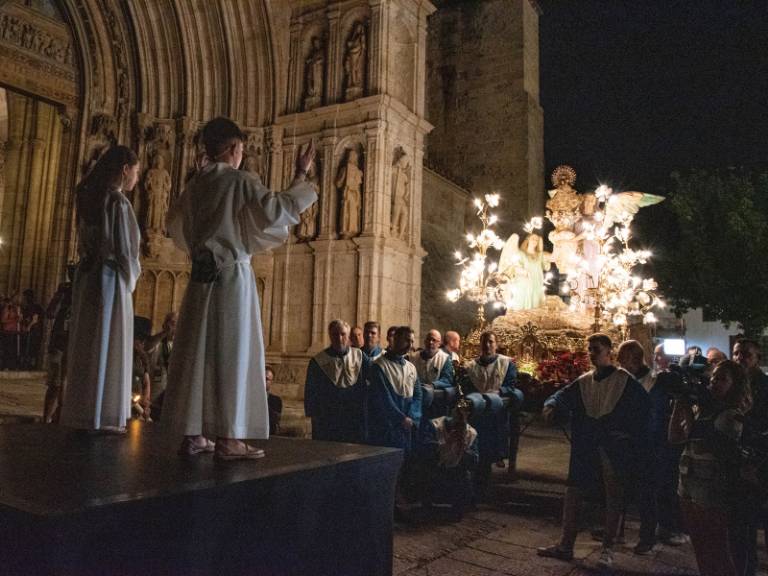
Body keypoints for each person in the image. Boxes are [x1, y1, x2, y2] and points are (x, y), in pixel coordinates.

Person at [163, 117, 317, 460]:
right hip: (232, 277)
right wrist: (301, 175)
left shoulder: (195, 186)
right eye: (242, 149)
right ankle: (230, 440)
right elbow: (275, 211)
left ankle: (195, 433)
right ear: (234, 149)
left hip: (201, 277)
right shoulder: (240, 180)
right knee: (232, 354)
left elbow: (174, 226)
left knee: (197, 354)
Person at [538, 333, 651, 570]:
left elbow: (643, 410)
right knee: (573, 491)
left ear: (609, 352)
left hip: (612, 446)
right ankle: (566, 544)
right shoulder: (585, 380)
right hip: (587, 443)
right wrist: (551, 404)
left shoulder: (624, 380)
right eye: (589, 349)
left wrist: (627, 435)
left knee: (613, 494)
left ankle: (608, 550)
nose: (591, 353)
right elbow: (562, 395)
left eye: (596, 349)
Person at [60, 146, 141, 434]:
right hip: (110, 279)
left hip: (88, 278)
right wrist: (131, 278)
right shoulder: (117, 203)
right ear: (124, 170)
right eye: (136, 171)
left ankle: (83, 412)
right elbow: (126, 252)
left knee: (88, 343)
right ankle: (103, 415)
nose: (137, 178)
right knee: (108, 342)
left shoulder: (88, 198)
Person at [669, 360, 753, 576]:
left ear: (735, 385)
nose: (715, 383)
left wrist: (690, 404)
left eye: (722, 379)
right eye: (714, 377)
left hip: (712, 490)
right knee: (700, 548)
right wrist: (681, 401)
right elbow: (675, 437)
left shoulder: (731, 414)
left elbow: (705, 438)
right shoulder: (703, 410)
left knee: (718, 551)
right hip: (688, 483)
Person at [618, 341, 685, 554]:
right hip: (629, 442)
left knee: (648, 492)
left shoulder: (655, 381)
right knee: (624, 488)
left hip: (651, 445)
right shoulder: (625, 379)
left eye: (624, 359)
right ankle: (616, 530)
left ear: (635, 359)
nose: (620, 363)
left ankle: (647, 537)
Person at [463, 331, 523, 490]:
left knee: (489, 450)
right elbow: (466, 386)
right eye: (484, 342)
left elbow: (510, 385)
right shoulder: (471, 366)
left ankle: (483, 486)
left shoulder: (506, 363)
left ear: (496, 344)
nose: (487, 345)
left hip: (496, 413)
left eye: (490, 342)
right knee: (476, 448)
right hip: (477, 413)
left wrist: (500, 392)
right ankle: (476, 485)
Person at [732, 338, 768, 575]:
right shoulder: (733, 384)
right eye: (736, 354)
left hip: (759, 461)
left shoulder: (764, 386)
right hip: (736, 460)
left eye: (745, 354)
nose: (739, 359)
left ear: (757, 359)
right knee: (740, 525)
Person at [304, 319, 370, 443]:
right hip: (329, 417)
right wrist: (313, 415)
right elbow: (311, 391)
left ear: (348, 335)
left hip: (355, 415)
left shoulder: (360, 356)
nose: (339, 338)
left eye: (343, 334)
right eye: (335, 334)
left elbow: (374, 379)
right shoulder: (318, 361)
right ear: (330, 335)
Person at [416, 399, 479, 521]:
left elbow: (474, 461)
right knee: (425, 470)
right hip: (436, 466)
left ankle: (458, 509)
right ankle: (427, 505)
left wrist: (463, 448)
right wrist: (445, 444)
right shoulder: (435, 425)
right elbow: (424, 450)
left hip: (456, 470)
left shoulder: (471, 433)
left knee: (465, 477)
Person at [367, 326, 422, 455]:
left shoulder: (411, 368)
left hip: (407, 426)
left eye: (412, 341)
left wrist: (413, 417)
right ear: (395, 339)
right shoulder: (379, 366)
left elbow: (418, 395)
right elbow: (383, 398)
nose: (410, 345)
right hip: (387, 427)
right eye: (407, 340)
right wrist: (401, 419)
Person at [42, 266, 74, 423]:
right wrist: (59, 294)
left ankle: (59, 418)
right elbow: (50, 313)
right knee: (55, 385)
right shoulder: (64, 295)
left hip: (74, 347)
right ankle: (46, 418)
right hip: (59, 346)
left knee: (67, 386)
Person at [410, 330, 455, 420]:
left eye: (434, 340)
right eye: (429, 339)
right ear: (424, 341)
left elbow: (447, 379)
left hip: (434, 396)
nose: (430, 342)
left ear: (439, 343)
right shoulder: (413, 357)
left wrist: (433, 385)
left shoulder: (445, 359)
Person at [144, 311, 177, 420]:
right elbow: (147, 347)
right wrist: (164, 333)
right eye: (172, 323)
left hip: (172, 394)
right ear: (164, 325)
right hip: (156, 391)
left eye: (177, 324)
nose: (174, 327)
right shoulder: (158, 342)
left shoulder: (180, 345)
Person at [131, 317, 153, 422]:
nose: (143, 343)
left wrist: (146, 400)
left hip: (139, 410)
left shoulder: (142, 358)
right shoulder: (125, 358)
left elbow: (146, 381)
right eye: (141, 340)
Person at [20, 289, 44, 369]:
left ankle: (32, 366)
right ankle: (27, 364)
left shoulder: (36, 307)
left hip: (35, 331)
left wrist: (28, 327)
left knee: (33, 348)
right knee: (27, 348)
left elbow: (35, 319)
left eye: (24, 297)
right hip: (30, 330)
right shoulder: (27, 307)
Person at [265, 365, 282, 436]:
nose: (263, 380)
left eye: (266, 379)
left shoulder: (276, 400)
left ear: (271, 382)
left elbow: (274, 419)